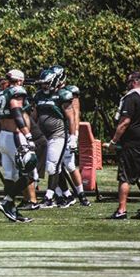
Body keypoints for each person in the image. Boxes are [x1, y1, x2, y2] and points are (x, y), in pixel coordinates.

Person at [105, 71, 140, 219]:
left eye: (128, 82)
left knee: (125, 177)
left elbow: (124, 122)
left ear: (134, 82)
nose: (126, 85)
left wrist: (114, 141)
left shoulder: (131, 98)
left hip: (131, 142)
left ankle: (122, 210)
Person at [0, 69, 35, 223]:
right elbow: (16, 113)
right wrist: (28, 134)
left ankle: (12, 210)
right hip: (15, 137)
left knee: (10, 176)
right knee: (30, 174)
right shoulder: (16, 91)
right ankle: (8, 201)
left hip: (2, 137)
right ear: (20, 80)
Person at [32, 66, 75, 208]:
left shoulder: (63, 95)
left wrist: (73, 137)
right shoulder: (39, 95)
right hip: (43, 136)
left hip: (59, 134)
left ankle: (49, 198)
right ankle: (67, 196)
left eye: (46, 82)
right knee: (56, 167)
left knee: (52, 167)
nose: (43, 85)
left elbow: (71, 117)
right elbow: (34, 116)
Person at [56, 72, 92, 207]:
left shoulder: (69, 91)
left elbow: (75, 114)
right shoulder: (51, 93)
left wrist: (74, 135)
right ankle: (61, 195)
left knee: (69, 164)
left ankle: (81, 194)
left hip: (67, 132)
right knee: (55, 166)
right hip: (55, 132)